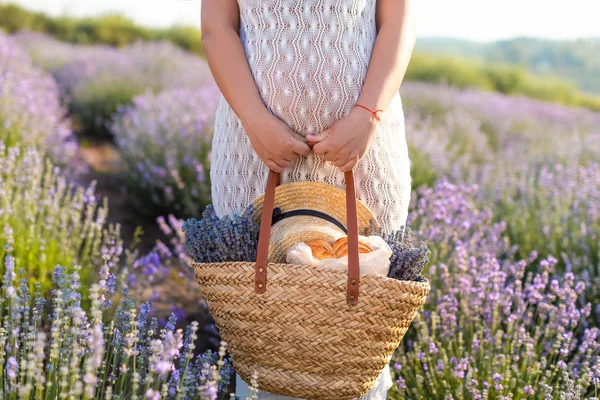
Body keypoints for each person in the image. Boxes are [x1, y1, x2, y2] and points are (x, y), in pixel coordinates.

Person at [201, 0, 416, 398]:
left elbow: (399, 21)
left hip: (365, 157)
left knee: (357, 348)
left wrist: (367, 114)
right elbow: (217, 27)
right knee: (263, 347)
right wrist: (255, 121)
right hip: (252, 156)